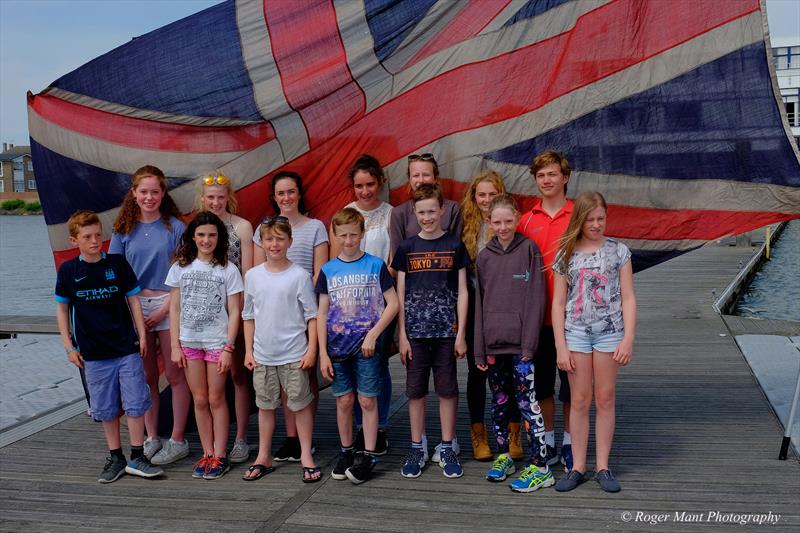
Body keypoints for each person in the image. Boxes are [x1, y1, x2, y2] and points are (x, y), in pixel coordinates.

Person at [55, 210, 164, 483]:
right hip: (93, 353)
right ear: (74, 240)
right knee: (105, 407)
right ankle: (116, 457)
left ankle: (137, 456)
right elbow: (62, 310)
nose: (94, 241)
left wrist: (141, 334)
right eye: (87, 237)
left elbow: (134, 301)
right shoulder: (69, 271)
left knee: (136, 402)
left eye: (97, 235)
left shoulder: (117, 264)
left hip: (126, 347)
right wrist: (69, 346)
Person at [552, 191, 636, 493]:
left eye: (601, 218)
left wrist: (628, 338)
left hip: (609, 331)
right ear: (580, 220)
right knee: (579, 399)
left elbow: (627, 296)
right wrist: (560, 345)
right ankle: (577, 466)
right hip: (576, 332)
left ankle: (603, 465)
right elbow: (558, 301)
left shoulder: (619, 251)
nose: (596, 224)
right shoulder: (565, 251)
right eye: (591, 219)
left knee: (605, 397)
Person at [110, 165, 190, 465]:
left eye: (154, 191)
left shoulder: (175, 228)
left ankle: (178, 438)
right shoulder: (123, 229)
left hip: (168, 304)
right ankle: (152, 436)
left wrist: (163, 310)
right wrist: (133, 310)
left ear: (163, 193)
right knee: (147, 376)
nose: (149, 197)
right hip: (135, 308)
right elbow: (115, 274)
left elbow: (184, 273)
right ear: (134, 193)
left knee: (174, 373)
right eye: (143, 191)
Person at [473, 195, 554, 492]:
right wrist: (479, 348)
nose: (503, 227)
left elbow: (536, 301)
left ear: (517, 219)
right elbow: (478, 306)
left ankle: (541, 465)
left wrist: (530, 346)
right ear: (489, 222)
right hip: (494, 347)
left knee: (527, 404)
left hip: (522, 348)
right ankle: (504, 455)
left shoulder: (529, 250)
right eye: (497, 222)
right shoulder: (484, 257)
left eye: (508, 221)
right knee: (500, 403)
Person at [389, 152, 463, 461]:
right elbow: (400, 281)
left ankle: (448, 444)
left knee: (447, 387)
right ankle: (417, 446)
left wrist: (461, 330)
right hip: (415, 327)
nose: (427, 216)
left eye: (426, 174)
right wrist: (402, 333)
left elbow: (459, 282)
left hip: (447, 325)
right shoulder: (404, 235)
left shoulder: (454, 233)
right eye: (415, 175)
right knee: (415, 389)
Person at [317, 208, 399, 484]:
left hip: (367, 346)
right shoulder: (328, 270)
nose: (349, 240)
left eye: (354, 234)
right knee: (344, 400)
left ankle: (370, 454)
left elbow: (394, 303)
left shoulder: (375, 265)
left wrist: (374, 334)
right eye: (343, 235)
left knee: (367, 399)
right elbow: (321, 313)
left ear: (362, 234)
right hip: (338, 348)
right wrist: (322, 354)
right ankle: (346, 451)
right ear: (335, 236)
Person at [253, 171, 328, 462]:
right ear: (274, 197)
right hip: (275, 311)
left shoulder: (315, 227)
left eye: (291, 192)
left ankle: (307, 441)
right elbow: (260, 272)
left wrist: (301, 299)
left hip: (304, 307)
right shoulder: (266, 229)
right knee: (281, 380)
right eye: (281, 193)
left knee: (303, 380)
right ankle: (291, 438)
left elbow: (318, 272)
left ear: (299, 194)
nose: (286, 198)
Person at [242, 216, 321, 482]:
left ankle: (305, 454)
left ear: (290, 241)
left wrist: (311, 350)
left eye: (279, 238)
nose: (274, 244)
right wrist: (248, 351)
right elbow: (248, 316)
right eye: (269, 239)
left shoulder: (299, 276)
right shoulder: (252, 276)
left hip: (294, 354)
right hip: (264, 355)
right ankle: (263, 455)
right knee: (265, 406)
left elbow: (312, 315)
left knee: (299, 406)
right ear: (261, 243)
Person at [166, 212, 243, 480]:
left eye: (211, 235)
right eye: (201, 235)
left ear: (219, 237)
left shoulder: (228, 269)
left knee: (216, 397)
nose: (206, 240)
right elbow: (174, 308)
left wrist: (228, 347)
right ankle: (207, 452)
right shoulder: (180, 267)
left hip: (216, 342)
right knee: (199, 399)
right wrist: (175, 345)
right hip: (189, 342)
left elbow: (235, 311)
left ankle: (221, 454)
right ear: (193, 237)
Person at [330, 154, 393, 456]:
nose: (365, 191)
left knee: (378, 365)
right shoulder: (346, 214)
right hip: (347, 305)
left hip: (381, 299)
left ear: (380, 182)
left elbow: (392, 259)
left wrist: (381, 284)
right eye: (359, 186)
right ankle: (358, 428)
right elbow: (334, 262)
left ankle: (379, 427)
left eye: (369, 184)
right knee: (352, 369)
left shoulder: (391, 214)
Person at [517, 150, 574, 470]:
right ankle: (548, 441)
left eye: (552, 174)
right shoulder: (526, 219)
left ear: (565, 177)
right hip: (537, 317)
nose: (547, 180)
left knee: (571, 386)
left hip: (573, 317)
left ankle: (569, 442)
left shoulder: (579, 214)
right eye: (541, 175)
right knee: (541, 386)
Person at [460, 170, 522, 462]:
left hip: (506, 307)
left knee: (508, 370)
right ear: (474, 197)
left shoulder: (506, 223)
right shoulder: (466, 228)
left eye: (491, 194)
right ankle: (479, 434)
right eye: (481, 194)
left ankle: (513, 431)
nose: (486, 200)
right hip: (475, 305)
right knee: (477, 371)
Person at [197, 171, 254, 464]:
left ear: (228, 198)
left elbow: (248, 271)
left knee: (237, 374)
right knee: (210, 382)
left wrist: (243, 312)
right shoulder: (196, 227)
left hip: (236, 309)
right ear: (203, 199)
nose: (216, 202)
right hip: (204, 315)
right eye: (210, 198)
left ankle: (241, 437)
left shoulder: (242, 227)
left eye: (220, 197)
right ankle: (214, 440)